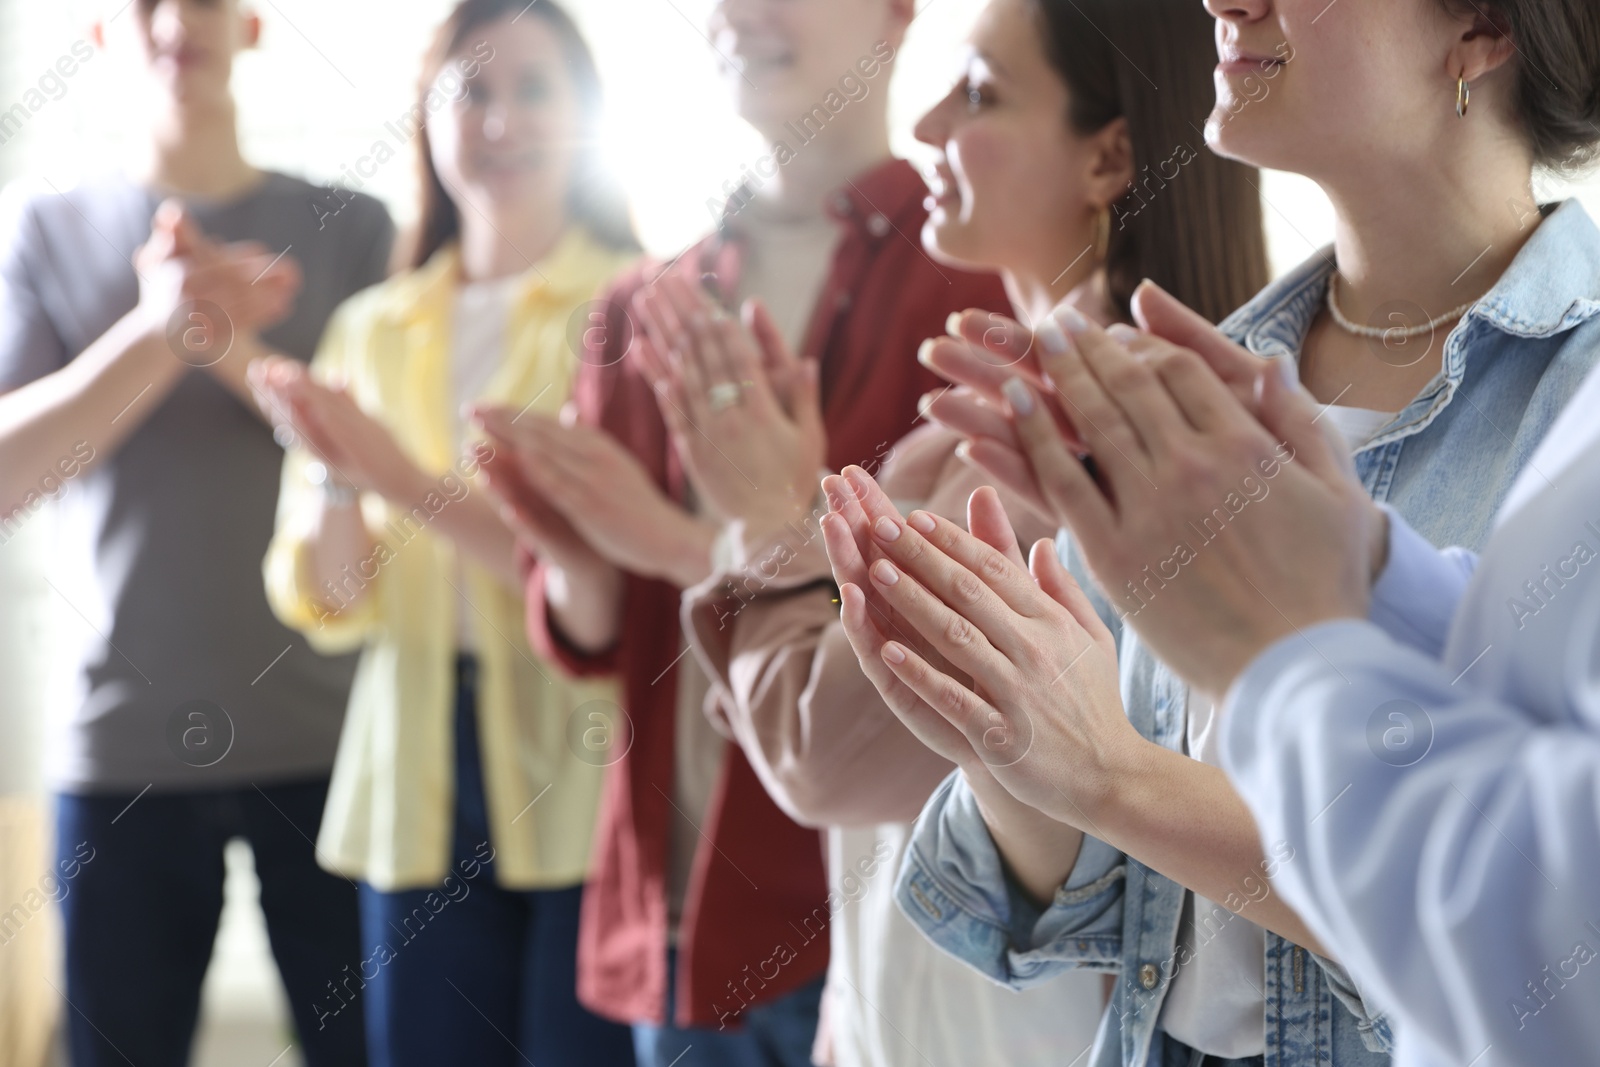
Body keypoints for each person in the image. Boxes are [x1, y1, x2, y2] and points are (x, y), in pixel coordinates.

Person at [819, 0, 1600, 1065]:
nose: (1224, 3)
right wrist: (1015, 731)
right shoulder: (1199, 383)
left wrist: (1114, 773)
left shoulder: (1579, 404)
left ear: (1480, 30)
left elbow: (1537, 942)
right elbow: (1117, 916)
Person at [636, 0, 1268, 1063]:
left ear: (1110, 156)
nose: (924, 124)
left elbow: (821, 750)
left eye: (977, 93)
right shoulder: (1016, 396)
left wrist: (762, 518)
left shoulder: (1084, 432)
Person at [465, 0, 1010, 1063]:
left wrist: (677, 544)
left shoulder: (977, 290)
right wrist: (577, 551)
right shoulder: (641, 303)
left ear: (898, 14)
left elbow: (958, 622)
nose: (739, 14)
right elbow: (591, 636)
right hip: (676, 917)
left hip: (883, 914)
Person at [0, 0, 393, 1063]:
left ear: (253, 25)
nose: (180, 21)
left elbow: (395, 464)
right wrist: (155, 328)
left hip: (334, 741)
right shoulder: (48, 230)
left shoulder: (354, 227)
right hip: (118, 748)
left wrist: (218, 340)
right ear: (98, 35)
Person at [252, 2, 638, 1065]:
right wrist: (336, 468)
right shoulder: (371, 326)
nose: (500, 120)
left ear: (584, 114)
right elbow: (332, 600)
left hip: (587, 767)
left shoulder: (629, 310)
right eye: (471, 90)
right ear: (427, 117)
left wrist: (386, 468)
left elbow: (600, 570)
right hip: (413, 770)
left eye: (534, 89)